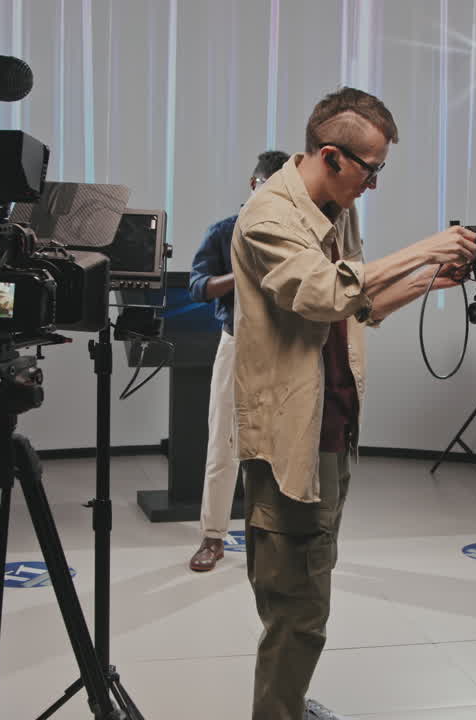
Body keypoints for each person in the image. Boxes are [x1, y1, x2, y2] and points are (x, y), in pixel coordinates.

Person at [231, 87, 476, 720]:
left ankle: (284, 699)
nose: (374, 185)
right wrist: (425, 248)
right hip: (294, 439)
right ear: (333, 155)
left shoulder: (334, 205)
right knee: (297, 607)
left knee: (309, 590)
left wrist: (427, 281)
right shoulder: (268, 215)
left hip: (333, 430)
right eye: (372, 169)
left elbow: (356, 304)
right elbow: (319, 293)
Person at [187, 149, 290, 572]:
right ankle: (213, 537)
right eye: (273, 188)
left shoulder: (295, 233)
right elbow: (198, 287)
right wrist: (241, 277)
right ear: (255, 184)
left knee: (281, 448)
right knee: (224, 447)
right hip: (236, 345)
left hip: (285, 349)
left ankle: (273, 538)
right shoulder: (224, 232)